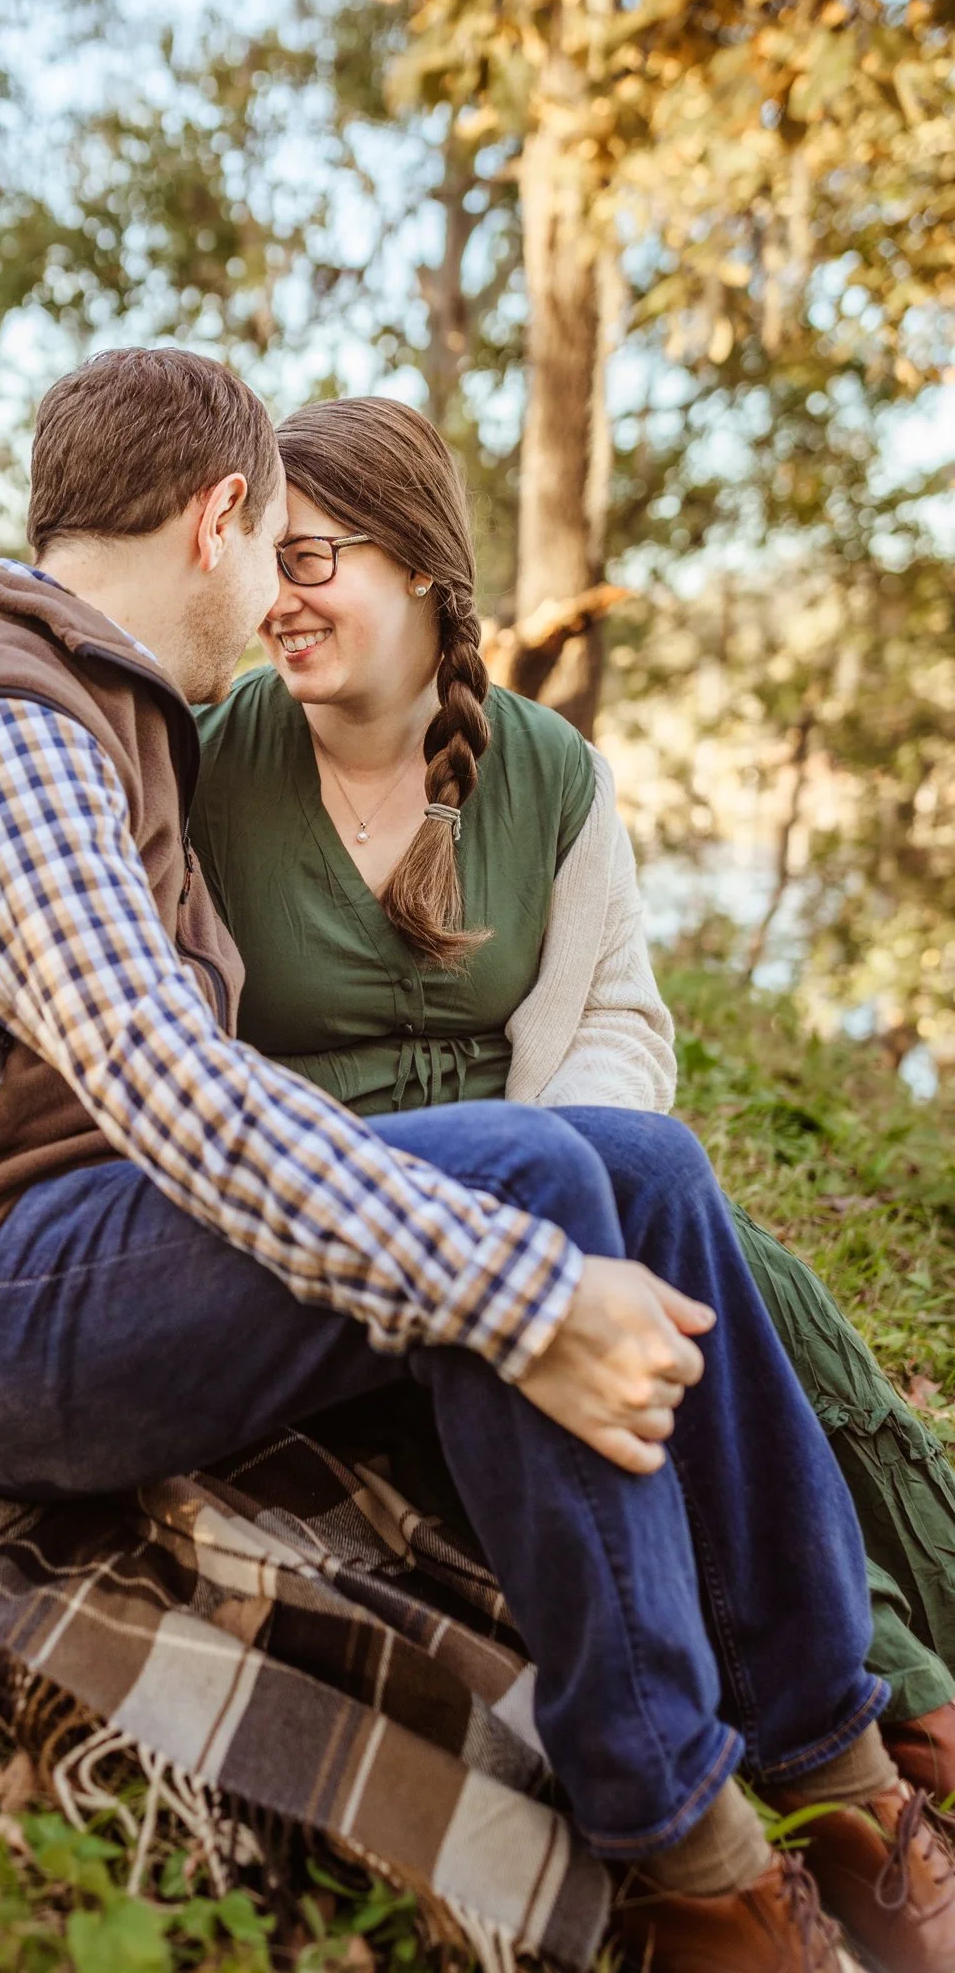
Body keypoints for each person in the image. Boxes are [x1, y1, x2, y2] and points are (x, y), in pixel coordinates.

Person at [0, 349, 952, 1973]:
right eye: (270, 550)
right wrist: (529, 1297)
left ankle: (840, 1771)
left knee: (640, 1169)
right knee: (532, 1188)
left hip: (73, 1233)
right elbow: (174, 1090)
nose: (268, 604)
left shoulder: (106, 712)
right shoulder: (7, 726)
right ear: (217, 518)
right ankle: (695, 1865)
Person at [190, 391, 955, 1802]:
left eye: (311, 559)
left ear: (420, 563)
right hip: (347, 1200)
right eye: (263, 563)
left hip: (549, 1167)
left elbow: (617, 1017)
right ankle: (887, 1689)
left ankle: (900, 1676)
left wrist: (566, 1164)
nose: (275, 600)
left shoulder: (548, 771)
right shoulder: (205, 764)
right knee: (684, 1259)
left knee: (731, 1273)